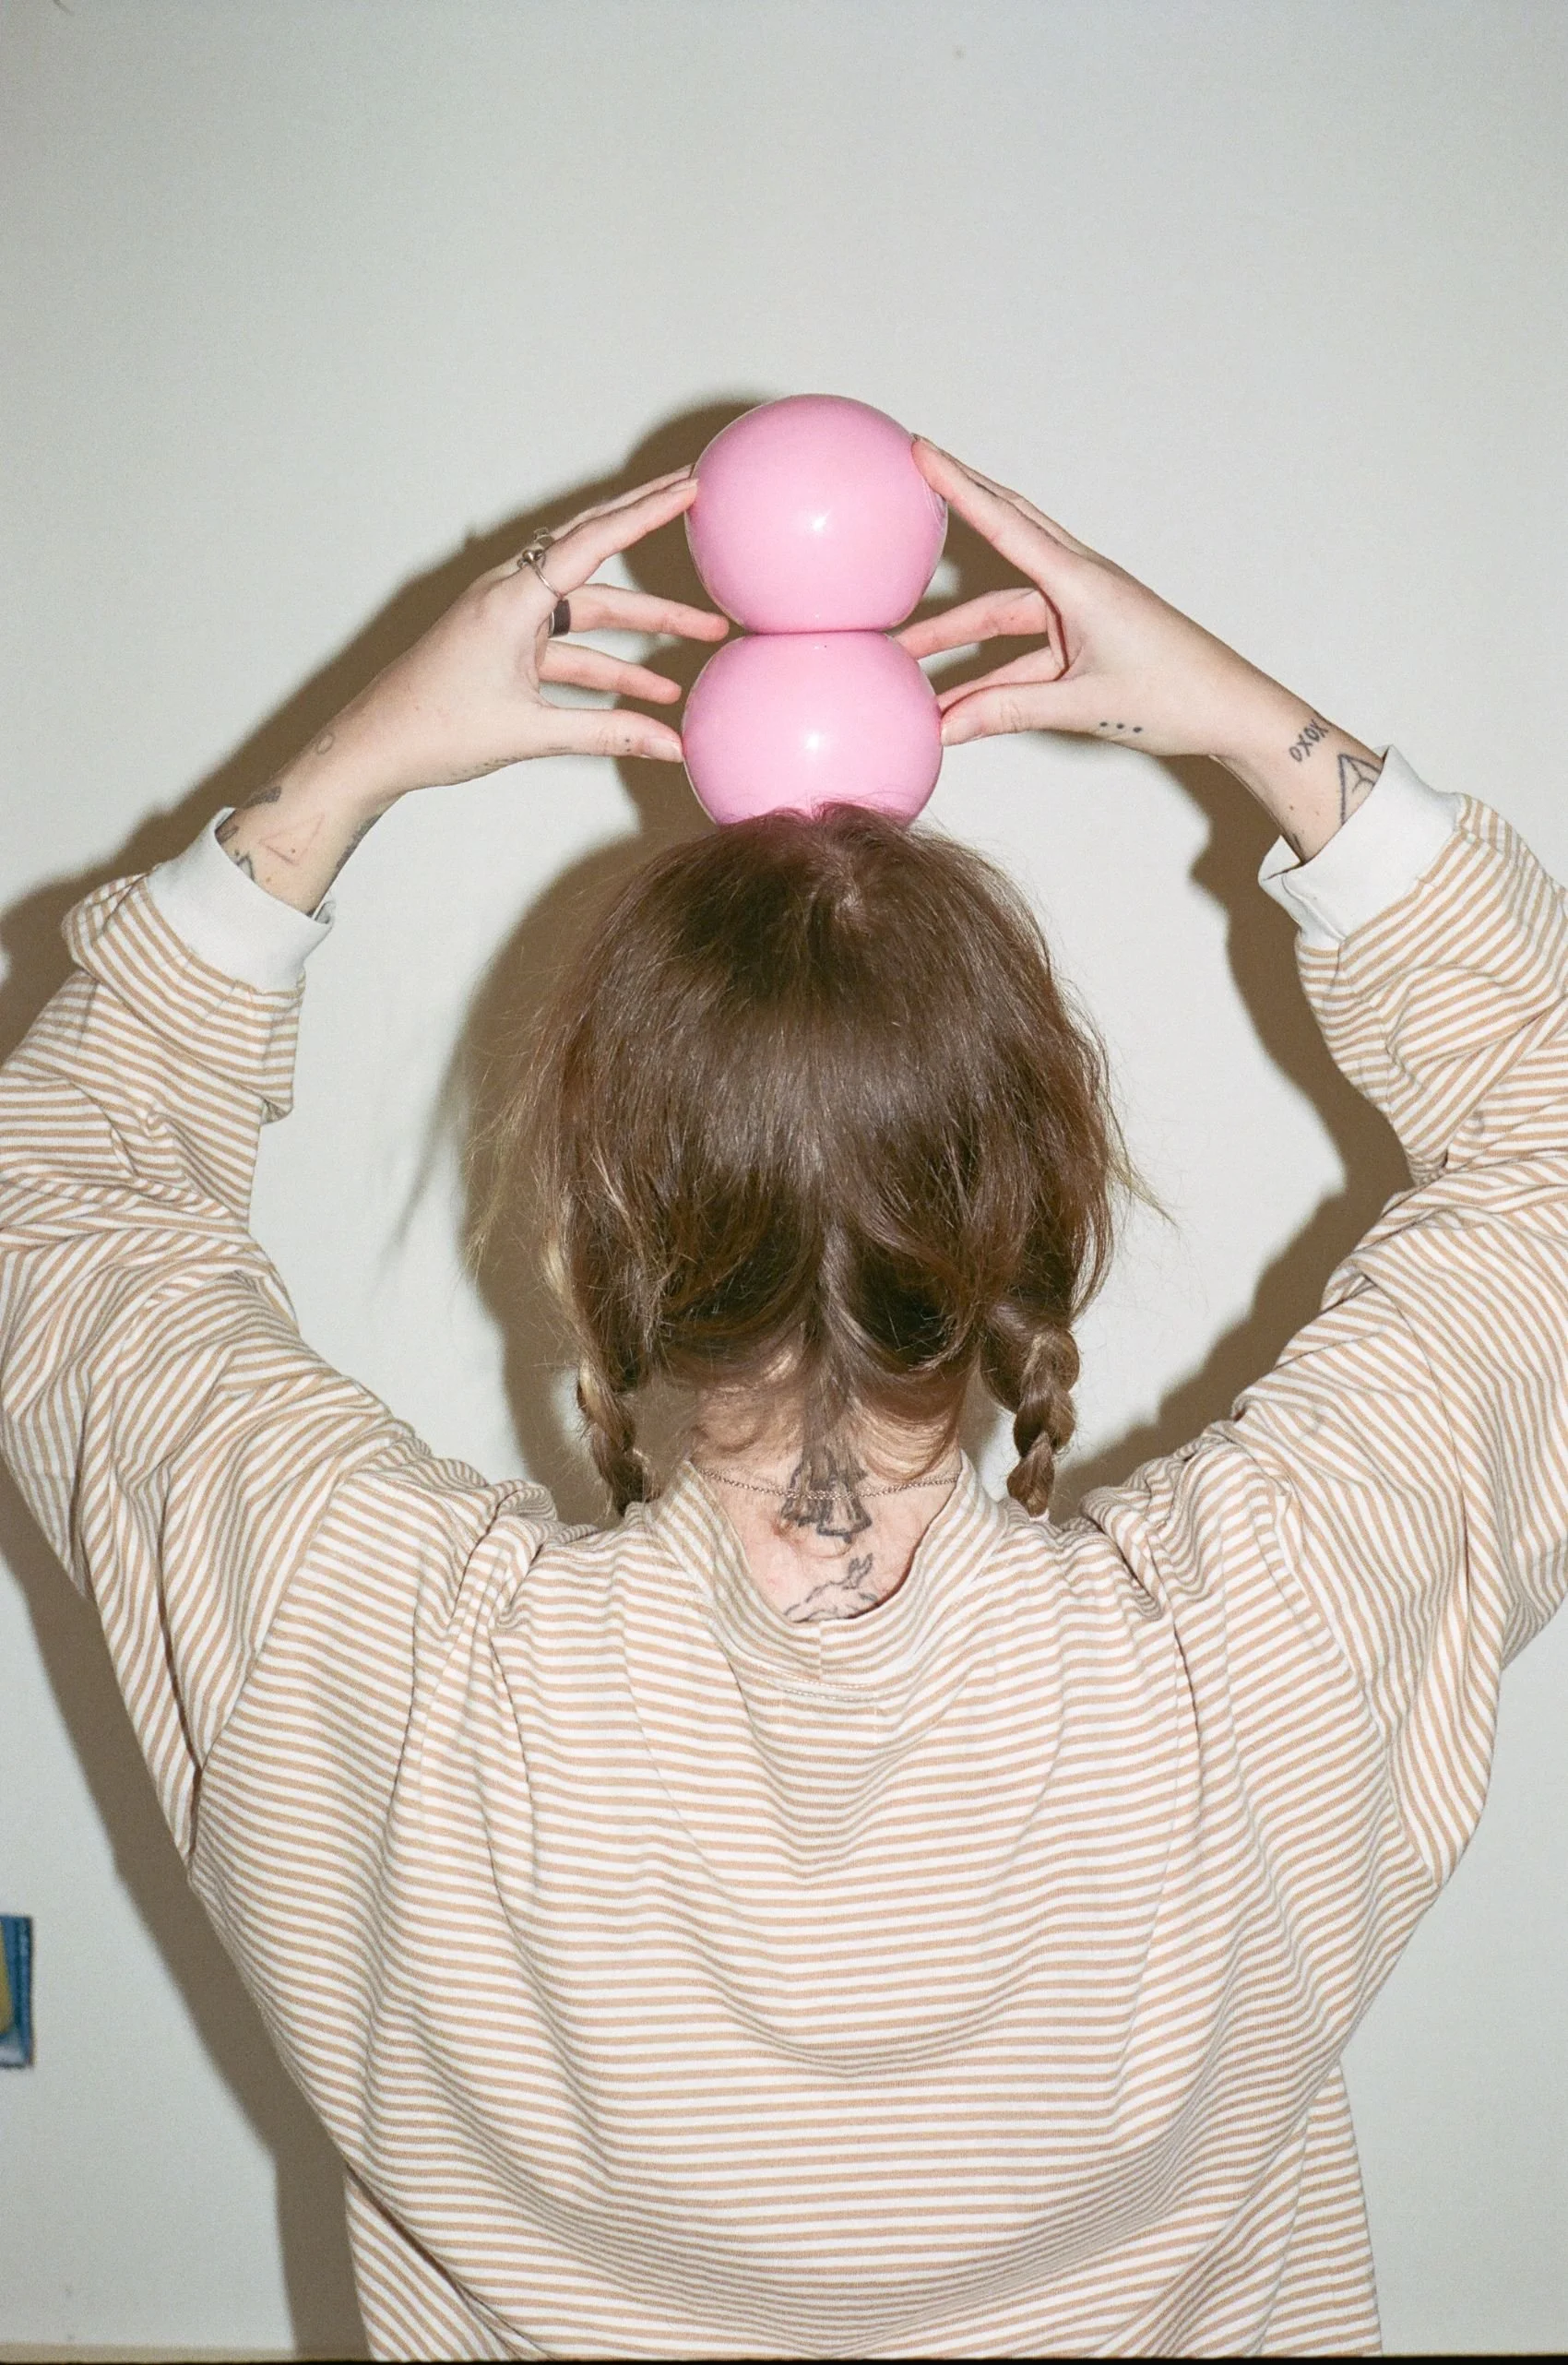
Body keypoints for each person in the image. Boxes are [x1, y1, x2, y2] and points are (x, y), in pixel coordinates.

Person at [2, 441, 1563, 2361]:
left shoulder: (363, 1650)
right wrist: (1241, 715)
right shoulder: (1271, 1641)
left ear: (588, 1253)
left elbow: (51, 1187)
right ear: (1038, 1232)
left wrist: (344, 774)